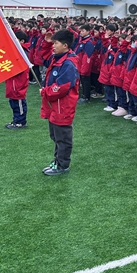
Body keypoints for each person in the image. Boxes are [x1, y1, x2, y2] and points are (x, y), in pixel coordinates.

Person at [40, 29, 80, 176]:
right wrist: (46, 42)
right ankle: (57, 161)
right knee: (55, 136)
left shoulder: (68, 64)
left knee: (63, 138)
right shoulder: (57, 58)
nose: (53, 45)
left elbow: (62, 87)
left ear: (65, 45)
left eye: (56, 43)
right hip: (55, 106)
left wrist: (45, 92)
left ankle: (62, 165)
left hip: (63, 107)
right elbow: (41, 58)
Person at [5, 31, 30, 129]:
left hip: (19, 82)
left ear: (22, 41)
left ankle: (21, 121)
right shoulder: (15, 51)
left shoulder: (23, 52)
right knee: (13, 102)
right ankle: (16, 120)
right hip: (13, 81)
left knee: (19, 102)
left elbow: (20, 68)